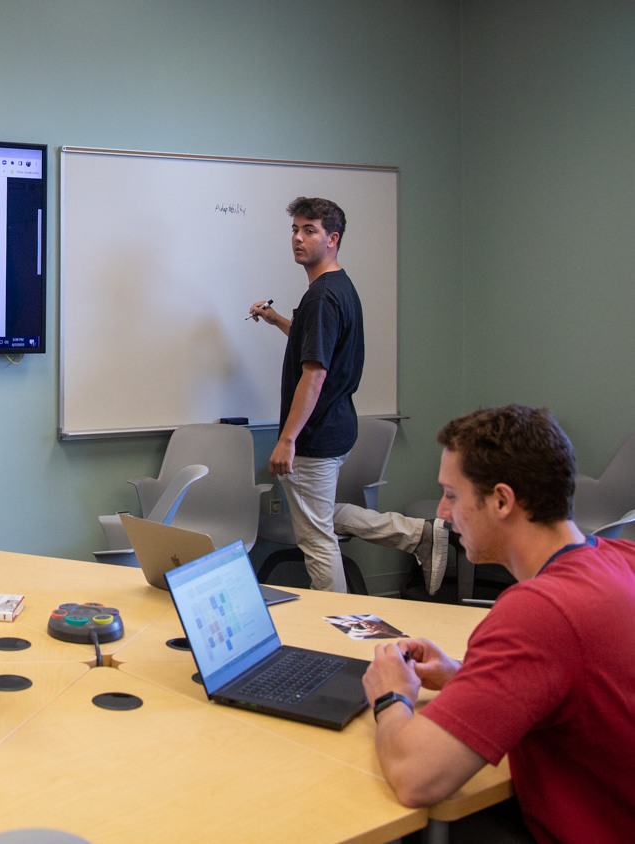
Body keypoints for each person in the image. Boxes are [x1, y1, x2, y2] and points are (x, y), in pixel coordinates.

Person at [362, 405, 635, 843]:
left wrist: (390, 696)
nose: (443, 513)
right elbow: (575, 689)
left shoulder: (539, 610)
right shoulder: (617, 560)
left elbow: (416, 777)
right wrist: (465, 679)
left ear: (502, 500)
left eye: (452, 495)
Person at [250, 197, 365, 592]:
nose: (298, 238)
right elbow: (313, 345)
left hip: (314, 438)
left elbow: (314, 374)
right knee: (321, 520)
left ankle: (334, 632)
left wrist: (287, 440)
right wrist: (278, 320)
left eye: (309, 230)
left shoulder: (320, 297)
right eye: (295, 230)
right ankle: (413, 533)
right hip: (336, 427)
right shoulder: (338, 286)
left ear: (332, 238)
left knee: (317, 541)